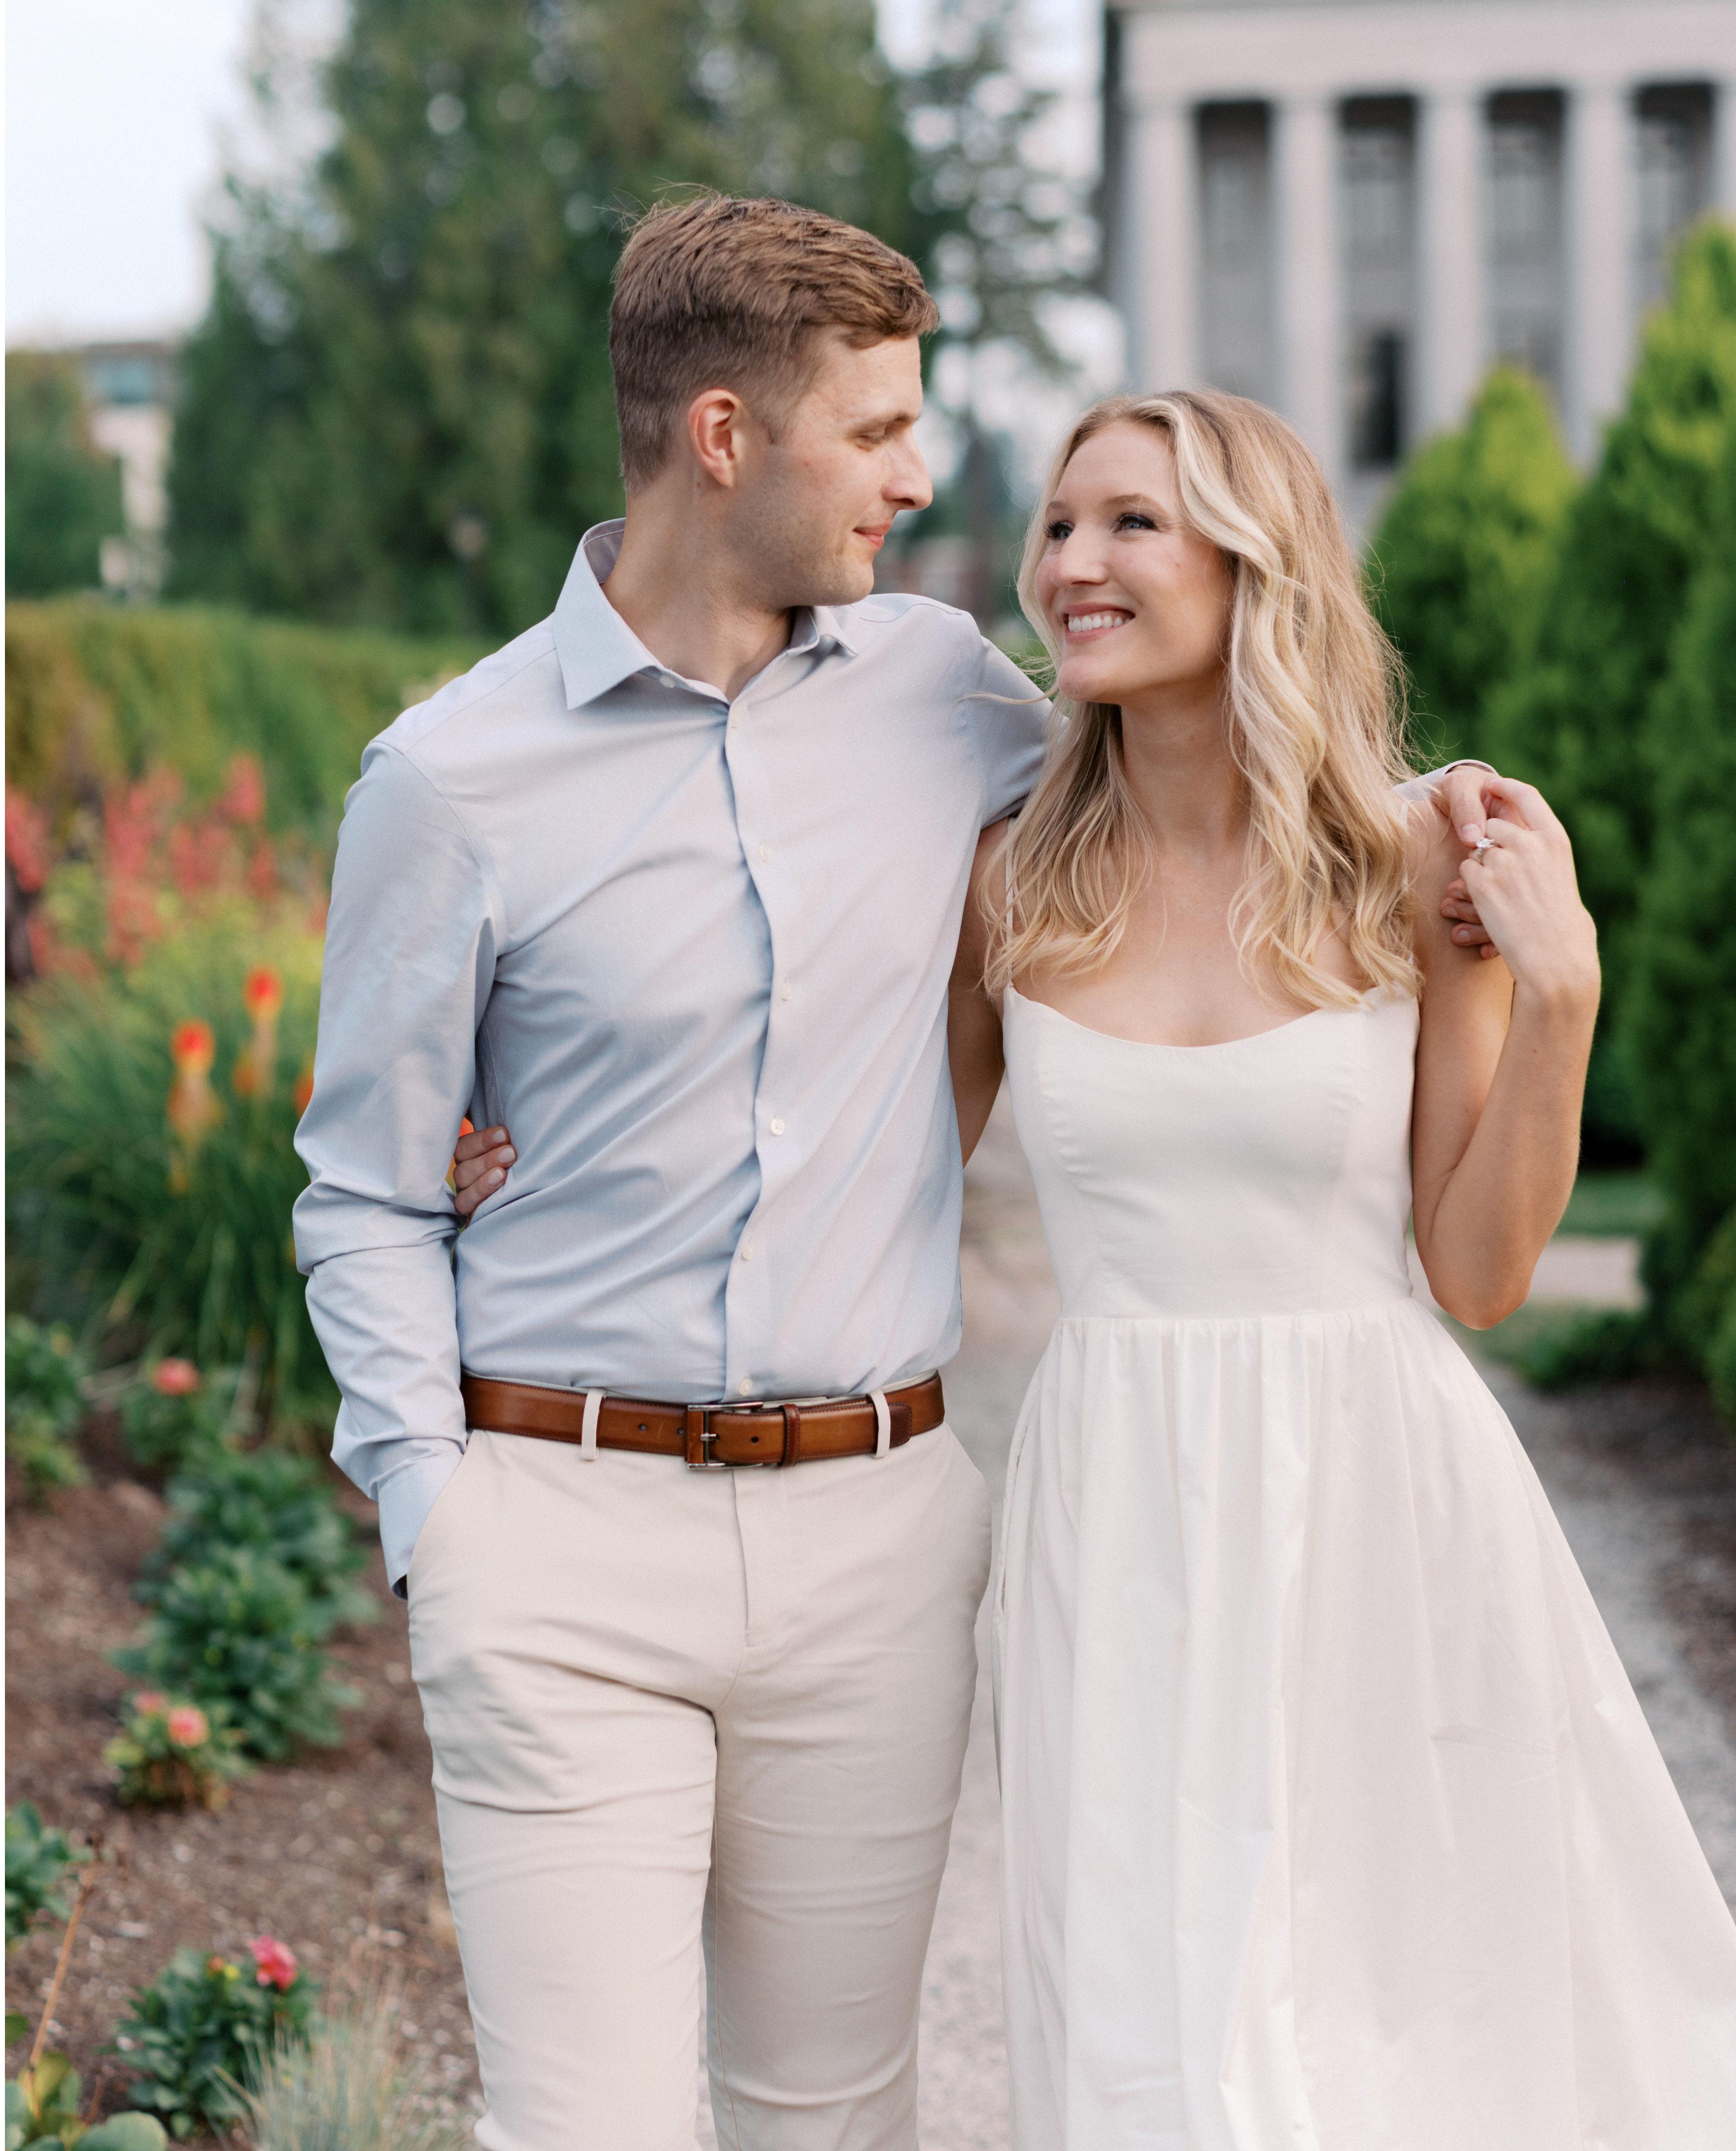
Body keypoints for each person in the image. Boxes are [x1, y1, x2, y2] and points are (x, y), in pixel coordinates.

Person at [316, 192, 1491, 2150]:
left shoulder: (945, 692)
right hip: (558, 1537)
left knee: (836, 2119)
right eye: (874, 431)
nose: (918, 477)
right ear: (725, 437)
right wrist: (439, 1512)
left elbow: (1191, 787)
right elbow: (361, 1187)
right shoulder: (450, 783)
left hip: (874, 1540)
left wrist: (1439, 823)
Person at [934, 389, 1736, 2149]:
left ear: (1256, 567)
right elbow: (873, 1181)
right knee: (1160, 2038)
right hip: (1121, 1510)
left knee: (1414, 2029)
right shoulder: (1010, 885)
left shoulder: (1415, 862)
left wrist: (1564, 997)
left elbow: (1477, 1268)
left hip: (1380, 1499)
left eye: (1133, 522)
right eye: (1062, 524)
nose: (1074, 560)